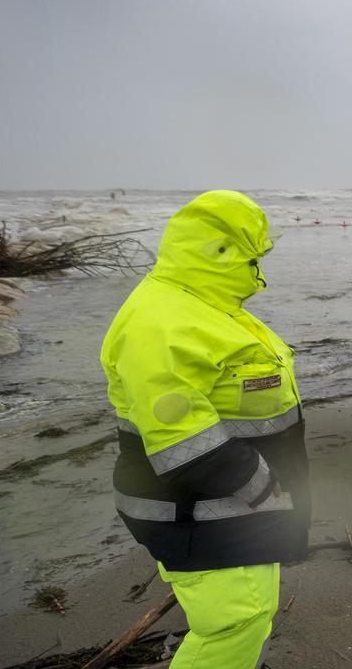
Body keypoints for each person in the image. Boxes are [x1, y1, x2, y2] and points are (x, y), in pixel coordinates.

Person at [101, 190, 310, 668]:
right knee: (235, 621)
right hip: (201, 509)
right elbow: (183, 443)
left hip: (233, 505)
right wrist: (268, 489)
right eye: (254, 253)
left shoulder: (205, 305)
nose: (260, 265)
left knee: (248, 616)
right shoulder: (161, 322)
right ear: (222, 252)